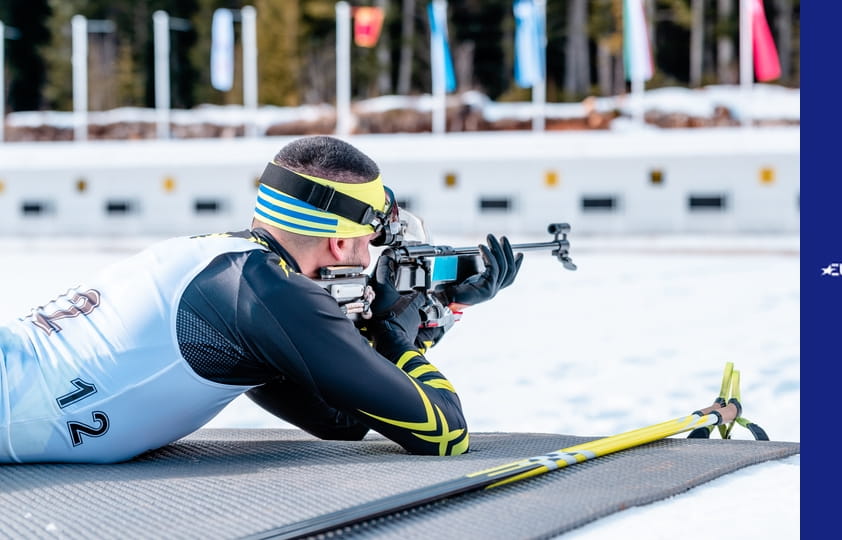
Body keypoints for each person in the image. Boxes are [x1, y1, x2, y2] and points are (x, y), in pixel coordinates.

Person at [0, 135, 522, 464]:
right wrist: (390, 331)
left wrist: (436, 316)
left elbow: (340, 420)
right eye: (369, 242)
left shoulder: (229, 267)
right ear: (341, 241)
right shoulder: (273, 292)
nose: (367, 259)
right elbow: (444, 433)